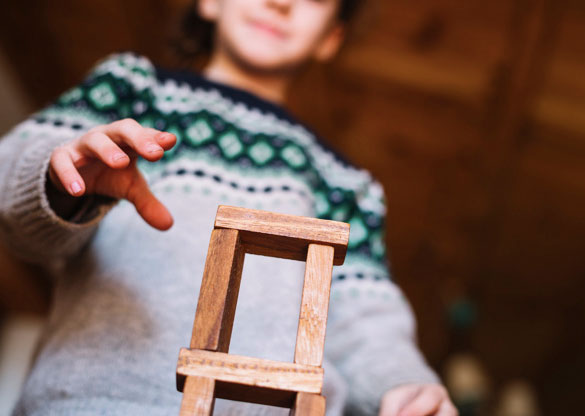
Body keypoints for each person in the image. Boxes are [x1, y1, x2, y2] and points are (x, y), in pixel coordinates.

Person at [0, 0, 457, 415]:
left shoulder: (346, 185)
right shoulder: (134, 90)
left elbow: (365, 316)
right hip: (93, 403)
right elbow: (13, 189)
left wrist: (402, 382)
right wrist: (63, 182)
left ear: (330, 38)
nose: (281, 3)